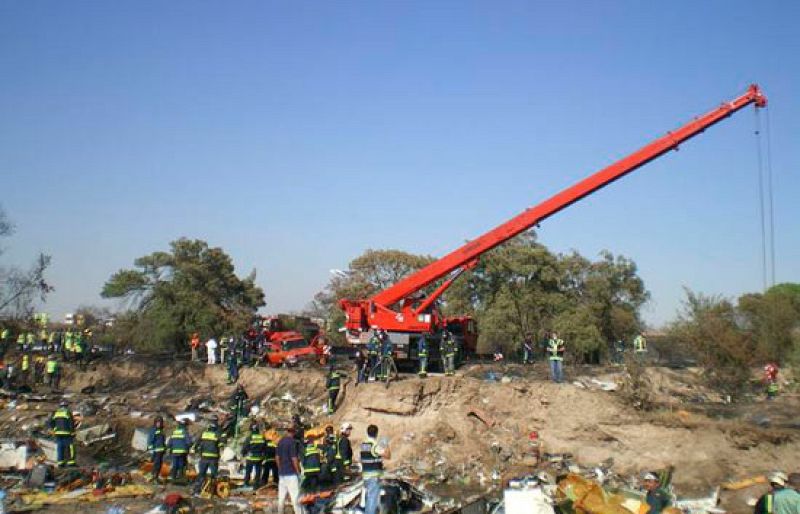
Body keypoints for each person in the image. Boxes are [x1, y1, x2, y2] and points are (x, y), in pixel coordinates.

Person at [361, 424, 391, 514]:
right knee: (372, 500)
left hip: (365, 475)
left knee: (368, 498)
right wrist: (386, 444)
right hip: (373, 476)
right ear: (376, 433)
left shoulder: (364, 444)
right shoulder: (375, 445)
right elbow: (388, 456)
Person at [192, 417, 223, 495]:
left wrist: (195, 449)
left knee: (201, 475)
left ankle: (197, 490)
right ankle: (213, 491)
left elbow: (197, 442)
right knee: (213, 475)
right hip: (213, 458)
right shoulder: (217, 434)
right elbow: (221, 444)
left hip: (204, 458)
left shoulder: (204, 434)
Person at [276, 426, 302, 514]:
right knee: (295, 497)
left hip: (282, 474)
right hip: (291, 474)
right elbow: (294, 458)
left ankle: (280, 512)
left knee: (281, 497)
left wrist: (280, 469)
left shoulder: (280, 441)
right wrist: (298, 472)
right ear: (294, 432)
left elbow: (277, 457)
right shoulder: (292, 442)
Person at [50, 400, 76, 467]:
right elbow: (71, 423)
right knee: (70, 447)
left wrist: (54, 429)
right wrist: (72, 432)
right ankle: (71, 462)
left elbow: (51, 422)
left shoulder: (56, 412)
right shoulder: (67, 412)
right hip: (67, 433)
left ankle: (60, 463)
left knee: (60, 448)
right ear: (66, 406)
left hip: (58, 433)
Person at [242, 422, 267, 487]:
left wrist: (243, 453)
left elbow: (245, 446)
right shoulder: (262, 437)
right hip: (259, 457)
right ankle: (256, 484)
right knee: (258, 472)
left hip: (250, 457)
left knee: (248, 471)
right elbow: (265, 447)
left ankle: (246, 483)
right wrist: (263, 455)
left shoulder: (249, 437)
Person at [147, 416, 167, 483]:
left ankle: (156, 476)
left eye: (160, 423)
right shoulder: (153, 430)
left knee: (159, 464)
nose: (159, 424)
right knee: (156, 464)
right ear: (155, 423)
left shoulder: (161, 431)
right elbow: (150, 440)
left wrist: (165, 448)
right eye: (158, 423)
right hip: (156, 450)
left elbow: (162, 441)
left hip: (161, 451)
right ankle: (153, 476)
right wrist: (151, 449)